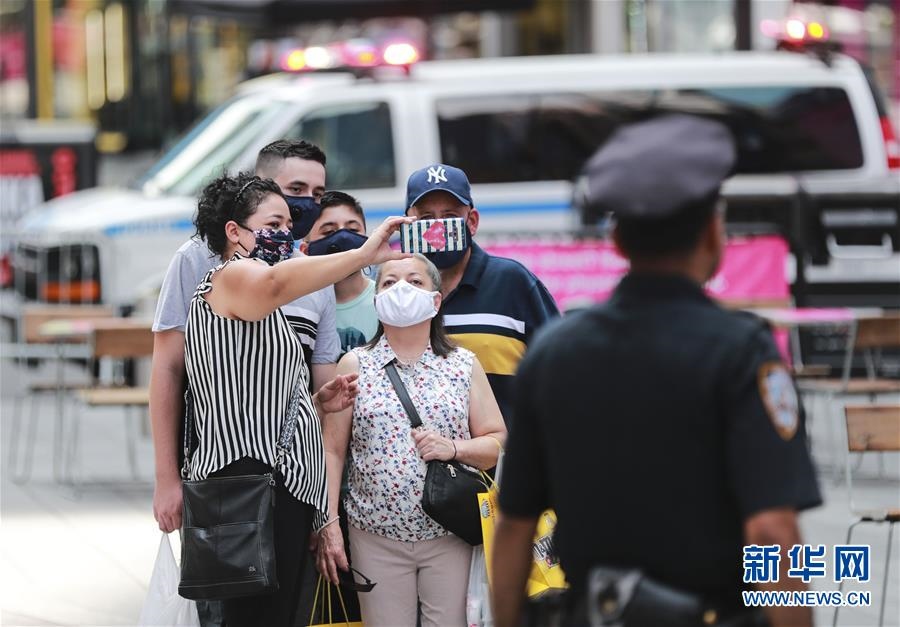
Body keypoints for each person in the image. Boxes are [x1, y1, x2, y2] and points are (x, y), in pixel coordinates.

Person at [491, 115, 822, 627]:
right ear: (713, 233)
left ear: (617, 240)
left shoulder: (554, 352)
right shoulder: (741, 352)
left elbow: (515, 525)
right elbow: (772, 531)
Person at [183, 171, 410, 626]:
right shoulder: (231, 276)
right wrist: (361, 255)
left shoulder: (256, 289)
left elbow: (255, 388)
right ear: (234, 232)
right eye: (274, 224)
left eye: (289, 225)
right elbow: (274, 284)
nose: (286, 235)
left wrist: (315, 402)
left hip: (278, 484)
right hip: (244, 485)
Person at [150, 139, 337, 538]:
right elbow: (168, 368)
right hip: (225, 472)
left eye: (317, 194)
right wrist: (166, 478)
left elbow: (313, 382)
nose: (305, 205)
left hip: (295, 476)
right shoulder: (200, 258)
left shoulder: (315, 274)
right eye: (296, 189)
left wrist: (326, 505)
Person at [316, 254, 507, 627]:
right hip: (374, 533)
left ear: (436, 300)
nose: (401, 289)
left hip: (450, 533)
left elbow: (496, 442)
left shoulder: (463, 364)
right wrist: (329, 523)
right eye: (389, 282)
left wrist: (454, 448)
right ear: (376, 301)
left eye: (415, 281)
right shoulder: (354, 364)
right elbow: (332, 450)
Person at [404, 164, 559, 426]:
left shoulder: (513, 282)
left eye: (450, 216)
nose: (438, 227)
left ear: (472, 221)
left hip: (507, 450)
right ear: (407, 224)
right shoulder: (395, 292)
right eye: (426, 218)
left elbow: (559, 369)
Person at [303, 190, 379, 355]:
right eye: (329, 232)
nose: (343, 237)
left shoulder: (385, 301)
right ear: (305, 250)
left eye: (353, 229)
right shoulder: (299, 307)